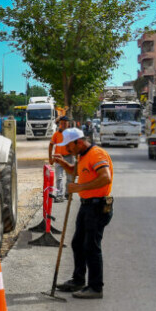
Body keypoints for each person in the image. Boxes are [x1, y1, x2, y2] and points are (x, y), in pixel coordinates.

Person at [52, 127, 114, 299]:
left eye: (69, 146)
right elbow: (77, 172)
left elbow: (105, 177)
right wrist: (64, 164)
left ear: (78, 142)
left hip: (97, 206)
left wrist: (79, 187)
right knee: (78, 243)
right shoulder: (82, 155)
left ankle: (95, 287)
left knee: (91, 246)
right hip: (87, 205)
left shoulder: (96, 154)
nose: (67, 150)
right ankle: (78, 280)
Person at [49, 116, 73, 203]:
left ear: (68, 124)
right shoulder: (56, 134)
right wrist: (50, 158)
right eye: (61, 123)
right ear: (59, 124)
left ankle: (68, 193)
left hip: (69, 157)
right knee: (59, 177)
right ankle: (59, 195)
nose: (63, 125)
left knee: (70, 177)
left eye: (65, 123)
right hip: (58, 158)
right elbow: (51, 145)